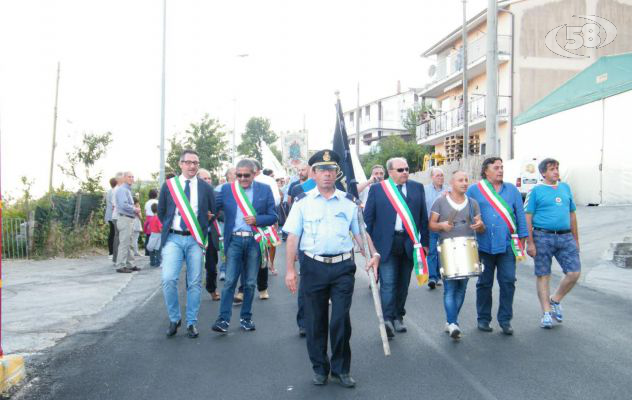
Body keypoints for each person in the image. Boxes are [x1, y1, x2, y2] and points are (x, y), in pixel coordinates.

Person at [283, 149, 379, 388]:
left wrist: (373, 254)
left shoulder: (348, 202)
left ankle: (341, 369)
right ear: (313, 174)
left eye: (331, 170)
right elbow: (293, 238)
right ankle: (320, 367)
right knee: (315, 322)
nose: (327, 174)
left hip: (342, 268)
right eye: (321, 170)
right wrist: (290, 270)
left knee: (340, 320)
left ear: (337, 173)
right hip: (313, 267)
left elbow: (360, 232)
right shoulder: (302, 203)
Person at [364, 157, 430, 338]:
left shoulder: (417, 187)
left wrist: (425, 244)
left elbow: (423, 218)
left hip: (409, 243)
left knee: (403, 284)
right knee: (388, 283)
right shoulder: (378, 190)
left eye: (407, 169)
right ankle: (387, 320)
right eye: (400, 170)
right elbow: (368, 219)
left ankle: (398, 316)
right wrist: (368, 248)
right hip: (386, 243)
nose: (405, 172)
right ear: (390, 172)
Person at [212, 159, 277, 334]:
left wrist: (257, 220)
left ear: (254, 173)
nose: (241, 178)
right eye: (238, 175)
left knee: (249, 282)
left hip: (255, 241)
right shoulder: (227, 189)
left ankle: (246, 318)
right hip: (234, 240)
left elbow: (273, 216)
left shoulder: (264, 189)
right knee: (230, 280)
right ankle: (223, 320)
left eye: (246, 175)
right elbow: (213, 209)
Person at [158, 149, 216, 338]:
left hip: (194, 239)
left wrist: (204, 224)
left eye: (195, 163)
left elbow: (211, 213)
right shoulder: (169, 186)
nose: (192, 166)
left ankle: (192, 322)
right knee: (168, 279)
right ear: (180, 164)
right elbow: (162, 212)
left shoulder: (206, 188)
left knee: (194, 282)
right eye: (188, 162)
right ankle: (175, 319)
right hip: (173, 238)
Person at [466, 157, 528, 335]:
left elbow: (520, 215)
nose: (500, 170)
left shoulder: (512, 190)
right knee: (484, 283)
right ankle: (483, 319)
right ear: (486, 171)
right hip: (483, 244)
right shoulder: (475, 190)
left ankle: (505, 320)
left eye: (502, 167)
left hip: (507, 244)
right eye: (496, 168)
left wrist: (523, 239)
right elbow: (467, 211)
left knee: (508, 281)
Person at [524, 158, 580, 329]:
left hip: (565, 237)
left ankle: (555, 299)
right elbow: (528, 217)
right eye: (552, 169)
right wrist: (530, 242)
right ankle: (546, 313)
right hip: (543, 236)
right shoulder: (536, 191)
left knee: (574, 272)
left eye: (557, 168)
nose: (556, 171)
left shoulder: (565, 188)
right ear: (543, 173)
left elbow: (572, 214)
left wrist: (576, 239)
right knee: (543, 274)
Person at [429, 171, 484, 339]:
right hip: (448, 247)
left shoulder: (472, 203)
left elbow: (481, 227)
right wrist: (441, 226)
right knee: (450, 288)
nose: (465, 183)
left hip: (468, 247)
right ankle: (453, 322)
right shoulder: (440, 202)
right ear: (451, 183)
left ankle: (451, 321)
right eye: (461, 180)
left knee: (462, 288)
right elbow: (431, 225)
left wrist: (480, 225)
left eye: (466, 180)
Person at [197, 168, 221, 301]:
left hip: (210, 236)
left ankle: (212, 288)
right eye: (204, 179)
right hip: (193, 236)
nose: (207, 181)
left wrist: (214, 216)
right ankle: (191, 293)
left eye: (209, 178)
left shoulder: (216, 194)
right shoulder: (190, 194)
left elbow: (221, 212)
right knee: (193, 268)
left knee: (212, 266)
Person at [424, 167, 450, 288]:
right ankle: (432, 278)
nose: (440, 178)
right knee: (432, 252)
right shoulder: (425, 190)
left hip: (445, 226)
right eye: (437, 176)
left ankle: (440, 276)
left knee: (442, 251)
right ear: (432, 177)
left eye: (442, 175)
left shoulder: (449, 190)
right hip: (431, 226)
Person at [114, 172, 141, 273]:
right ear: (124, 178)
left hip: (128, 219)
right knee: (124, 243)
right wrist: (135, 209)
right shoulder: (122, 190)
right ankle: (120, 265)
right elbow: (124, 205)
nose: (131, 178)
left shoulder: (127, 190)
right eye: (129, 177)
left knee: (128, 242)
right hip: (125, 219)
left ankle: (130, 264)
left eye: (133, 177)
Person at [216, 167, 236, 282]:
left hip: (239, 224)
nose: (237, 174)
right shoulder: (221, 188)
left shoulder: (242, 187)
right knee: (224, 246)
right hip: (225, 222)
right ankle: (223, 270)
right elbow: (217, 207)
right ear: (228, 175)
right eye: (234, 172)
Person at [111, 172, 124, 264]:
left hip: (116, 215)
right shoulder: (118, 189)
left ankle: (116, 258)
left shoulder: (116, 189)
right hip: (118, 216)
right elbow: (117, 204)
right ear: (119, 180)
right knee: (118, 237)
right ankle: (117, 259)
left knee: (117, 237)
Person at [105, 177, 117, 257]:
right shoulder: (114, 192)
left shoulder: (108, 192)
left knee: (112, 233)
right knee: (114, 234)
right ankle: (112, 252)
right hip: (113, 215)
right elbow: (114, 205)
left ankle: (111, 252)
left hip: (109, 215)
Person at [144, 189, 159, 255]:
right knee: (156, 237)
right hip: (156, 219)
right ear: (156, 194)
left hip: (148, 219)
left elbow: (145, 211)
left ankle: (147, 252)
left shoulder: (147, 202)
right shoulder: (157, 201)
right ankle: (156, 251)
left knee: (148, 236)